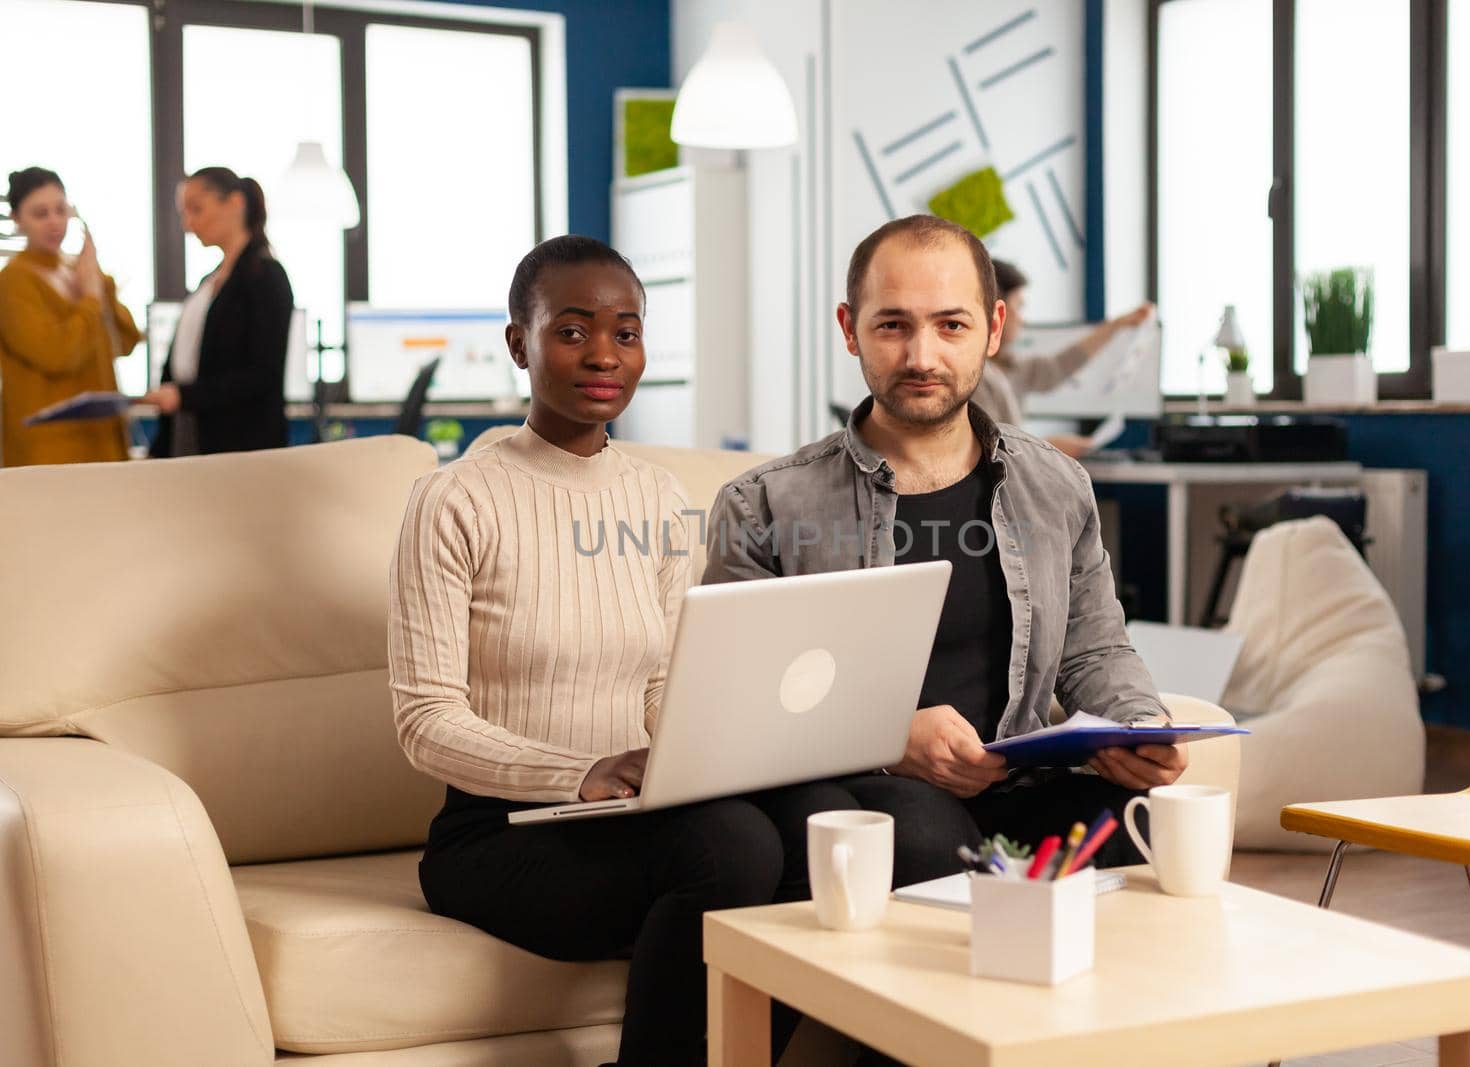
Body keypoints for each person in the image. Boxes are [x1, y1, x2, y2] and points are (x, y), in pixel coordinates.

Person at [389, 235, 836, 1067]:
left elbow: (667, 677)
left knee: (811, 828)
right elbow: (424, 719)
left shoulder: (657, 497)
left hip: (631, 812)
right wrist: (581, 771)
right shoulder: (452, 501)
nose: (603, 353)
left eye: (626, 332)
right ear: (519, 343)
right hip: (501, 831)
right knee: (733, 848)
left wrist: (701, 748)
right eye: (572, 330)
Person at [702, 215, 1188, 892]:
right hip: (864, 785)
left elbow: (1095, 649)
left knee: (1144, 822)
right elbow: (738, 699)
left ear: (992, 328)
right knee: (927, 837)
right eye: (893, 324)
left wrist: (1137, 723)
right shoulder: (763, 505)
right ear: (850, 329)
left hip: (1020, 782)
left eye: (950, 325)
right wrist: (889, 735)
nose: (922, 356)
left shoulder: (1057, 485)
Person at [141, 167, 292, 456]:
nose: (188, 224)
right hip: (191, 436)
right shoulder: (208, 283)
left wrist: (185, 396)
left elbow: (262, 373)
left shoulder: (266, 277)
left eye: (196, 209)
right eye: (184, 212)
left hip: (239, 446)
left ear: (235, 203)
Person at [0, 166, 140, 467]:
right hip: (51, 451)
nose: (54, 223)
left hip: (102, 442)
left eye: (61, 211)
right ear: (18, 220)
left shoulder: (78, 270)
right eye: (40, 213)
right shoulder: (13, 281)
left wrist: (102, 285)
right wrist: (89, 300)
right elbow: (55, 354)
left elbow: (127, 340)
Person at [970, 257, 1154, 457]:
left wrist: (1118, 325)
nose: (1022, 318)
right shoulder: (976, 377)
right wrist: (1047, 447)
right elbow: (990, 450)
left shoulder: (1011, 366)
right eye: (1018, 306)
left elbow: (1060, 366)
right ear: (997, 312)